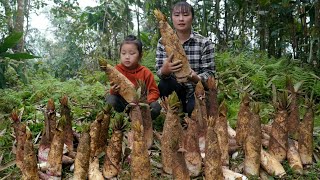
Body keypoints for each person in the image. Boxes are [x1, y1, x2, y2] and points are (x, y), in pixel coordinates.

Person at [155, 1, 215, 116]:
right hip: (175, 88)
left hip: (195, 89)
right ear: (172, 18)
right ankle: (172, 114)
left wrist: (196, 78)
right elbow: (159, 70)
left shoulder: (204, 42)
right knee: (164, 83)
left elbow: (210, 74)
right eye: (177, 15)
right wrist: (165, 70)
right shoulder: (163, 42)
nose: (181, 19)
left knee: (194, 110)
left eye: (185, 15)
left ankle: (189, 110)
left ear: (192, 18)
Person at [106, 35, 161, 120]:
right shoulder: (116, 70)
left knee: (156, 107)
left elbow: (154, 91)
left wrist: (145, 102)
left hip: (142, 105)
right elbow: (113, 93)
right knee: (111, 99)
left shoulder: (145, 72)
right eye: (123, 53)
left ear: (140, 55)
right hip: (124, 105)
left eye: (132, 53)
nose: (127, 57)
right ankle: (124, 118)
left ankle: (142, 119)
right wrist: (114, 89)